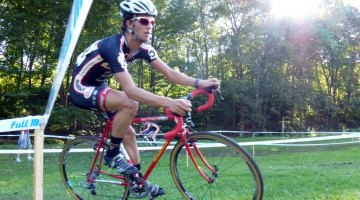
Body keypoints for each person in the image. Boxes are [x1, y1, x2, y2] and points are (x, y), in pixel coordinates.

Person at [69, 0, 220, 197]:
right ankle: (113, 154)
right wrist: (170, 102)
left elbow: (170, 74)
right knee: (130, 102)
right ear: (129, 23)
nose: (149, 26)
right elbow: (130, 90)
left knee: (129, 133)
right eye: (144, 21)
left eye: (152, 22)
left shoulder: (144, 48)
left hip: (100, 87)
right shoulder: (112, 46)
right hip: (82, 87)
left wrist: (200, 83)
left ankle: (139, 182)